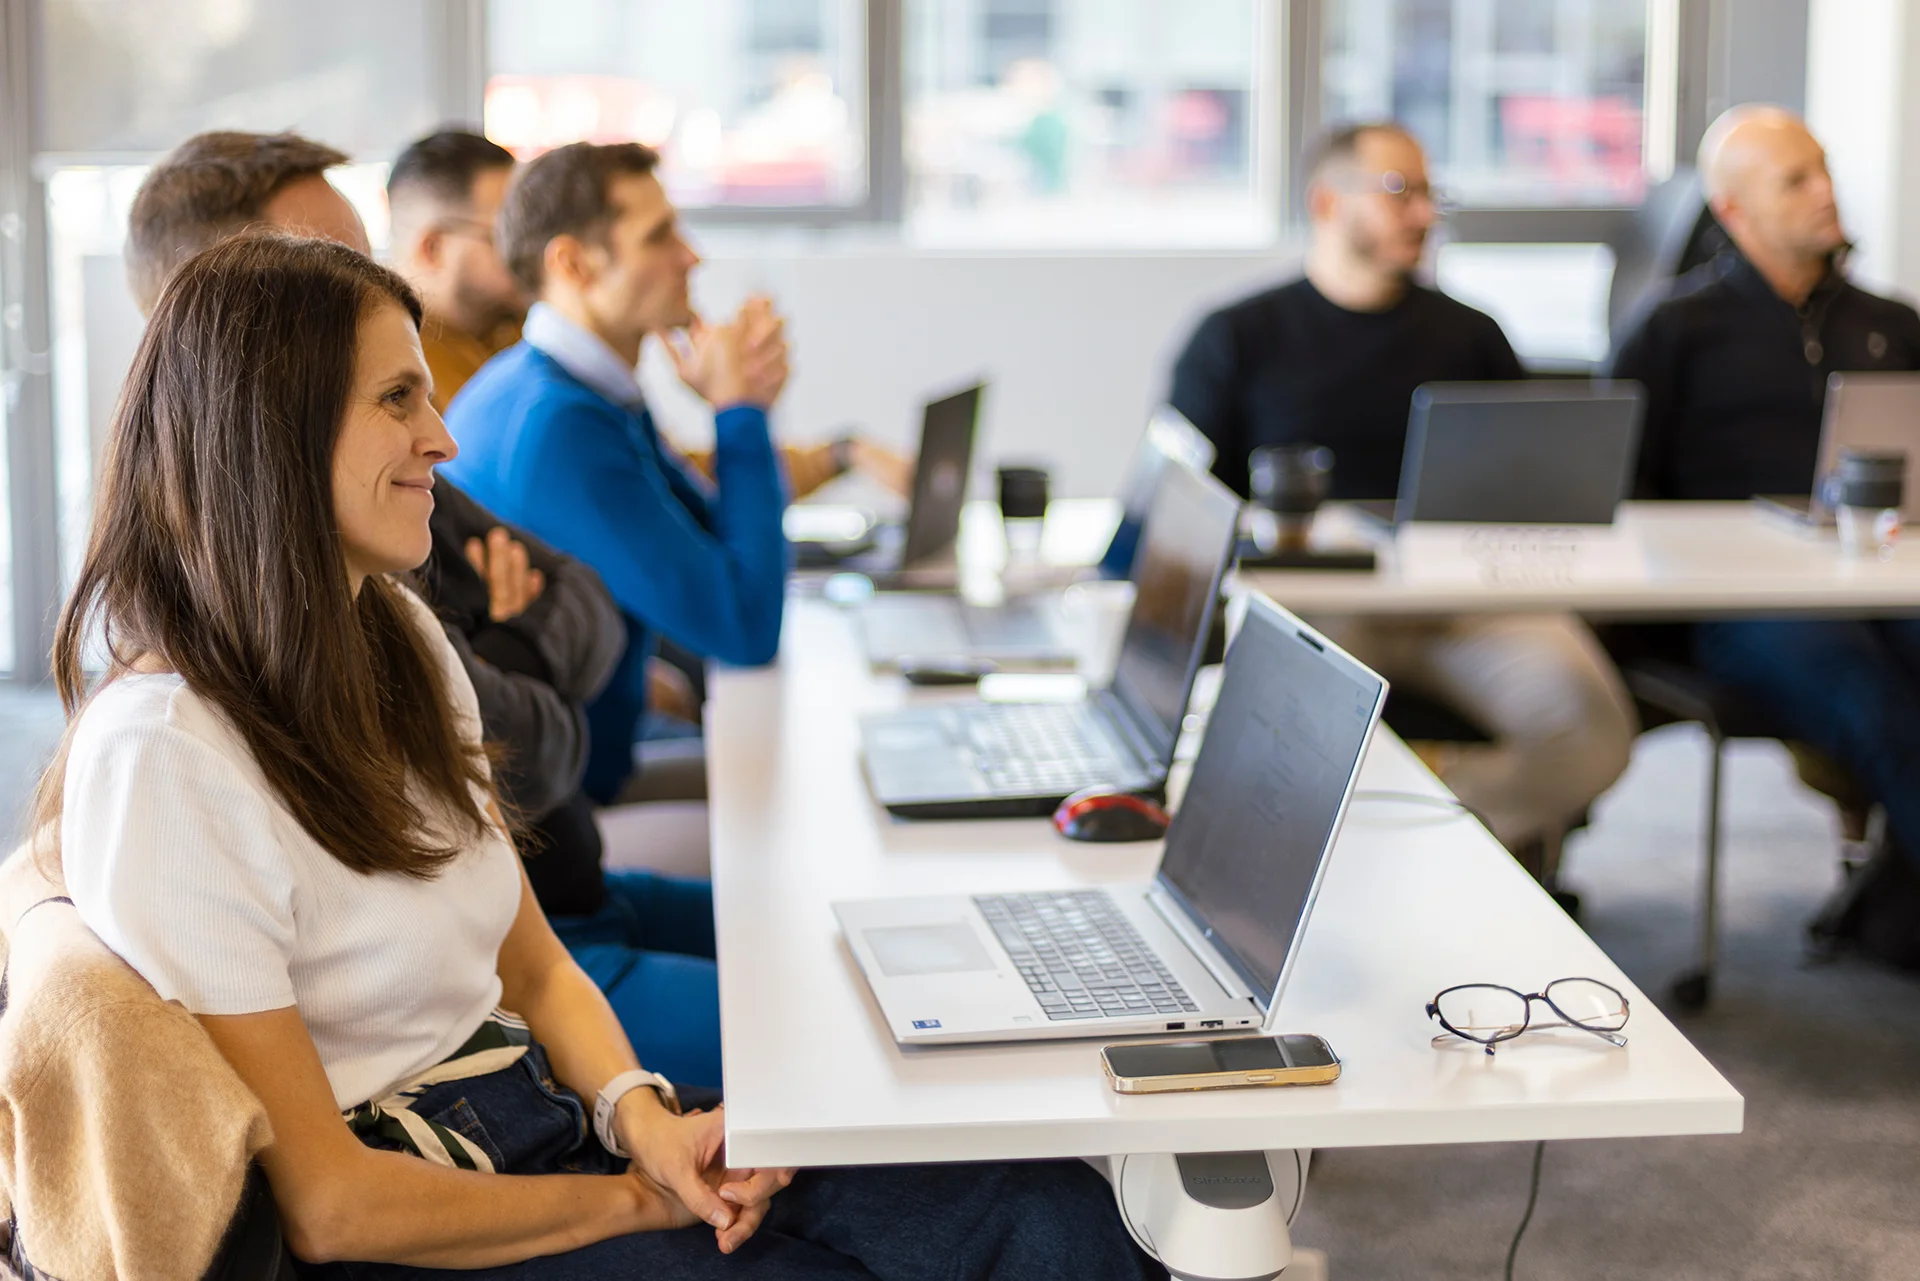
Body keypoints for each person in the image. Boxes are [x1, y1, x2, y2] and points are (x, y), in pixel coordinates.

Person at [42, 233, 1161, 1279]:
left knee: (1052, 1207)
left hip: (537, 1115)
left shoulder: (396, 636)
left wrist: (645, 1123)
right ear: (270, 437)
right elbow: (333, 1209)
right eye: (398, 400)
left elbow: (534, 968)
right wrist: (634, 1199)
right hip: (426, 1210)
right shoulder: (169, 757)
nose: (444, 437)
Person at [124, 130, 721, 1090]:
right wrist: (519, 642)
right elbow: (531, 744)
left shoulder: (384, 579)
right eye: (321, 267)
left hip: (558, 902)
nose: (437, 439)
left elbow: (583, 615)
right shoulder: (184, 693)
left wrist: (502, 650)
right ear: (231, 327)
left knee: (829, 951)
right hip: (499, 992)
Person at [1171, 122, 1638, 872]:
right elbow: (1187, 501)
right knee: (1285, 745)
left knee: (1593, 732)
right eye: (1400, 192)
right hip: (1325, 601)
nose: (1424, 214)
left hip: (1469, 599)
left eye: (1429, 194)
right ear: (1327, 201)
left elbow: (1534, 480)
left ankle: (1419, 827)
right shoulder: (1238, 336)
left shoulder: (1471, 335)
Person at [1609, 107, 1920, 896]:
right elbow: (1616, 487)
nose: (1826, 192)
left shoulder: (1891, 324)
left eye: (1824, 170)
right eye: (1796, 180)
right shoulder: (1674, 330)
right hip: (1742, 600)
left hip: (1882, 574)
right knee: (1876, 704)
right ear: (1734, 211)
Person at [444, 142, 790, 807]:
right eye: (658, 236)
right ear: (573, 262)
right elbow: (746, 626)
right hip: (564, 815)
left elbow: (721, 547)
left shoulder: (582, 390)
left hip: (594, 768)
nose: (691, 257)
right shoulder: (559, 425)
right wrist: (739, 411)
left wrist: (740, 409)